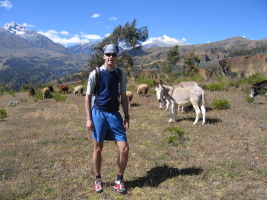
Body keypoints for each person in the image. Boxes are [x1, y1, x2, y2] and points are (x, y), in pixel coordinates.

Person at [85, 44, 130, 194]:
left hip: (114, 114)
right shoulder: (95, 73)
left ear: (117, 57)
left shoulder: (119, 74)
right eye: (108, 54)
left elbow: (123, 96)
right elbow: (88, 97)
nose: (111, 57)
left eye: (113, 54)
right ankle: (97, 179)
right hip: (98, 114)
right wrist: (88, 118)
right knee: (98, 147)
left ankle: (119, 180)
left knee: (124, 148)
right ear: (104, 56)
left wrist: (127, 116)